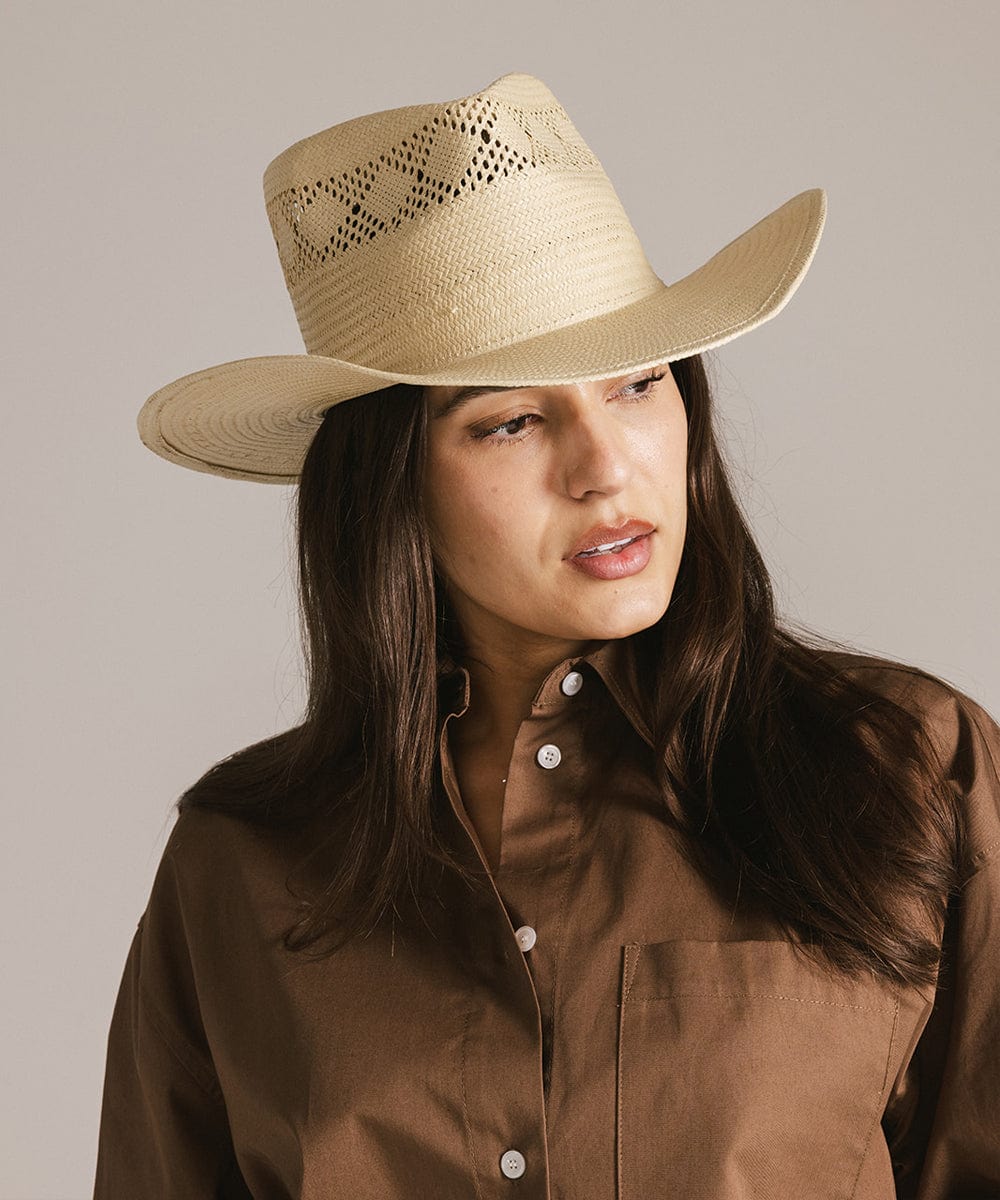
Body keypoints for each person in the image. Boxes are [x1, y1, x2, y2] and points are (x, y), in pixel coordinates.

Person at [93, 72, 1000, 1199]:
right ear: (389, 486)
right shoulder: (238, 863)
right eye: (513, 420)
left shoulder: (909, 770)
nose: (605, 467)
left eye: (638, 384)